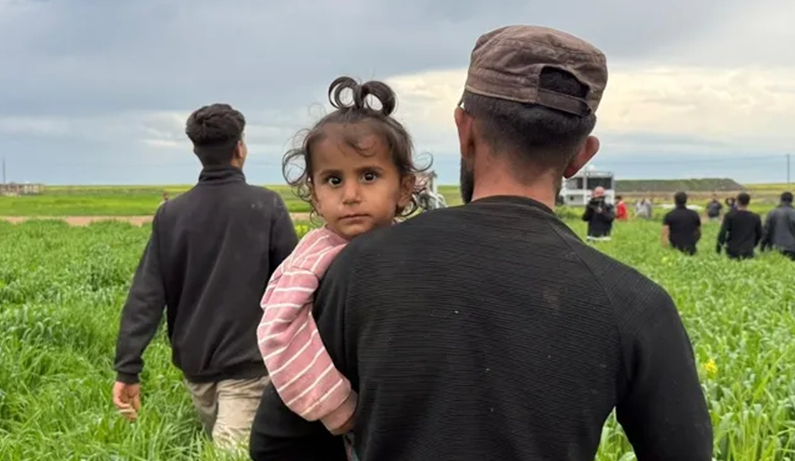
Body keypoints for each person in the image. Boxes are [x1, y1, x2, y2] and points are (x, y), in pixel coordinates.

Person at [250, 24, 712, 461]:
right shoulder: (634, 303)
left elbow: (277, 445)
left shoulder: (353, 269)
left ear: (464, 130)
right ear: (580, 155)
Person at [112, 103, 299, 450]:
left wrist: (128, 368)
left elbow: (146, 296)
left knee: (227, 450)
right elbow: (297, 288)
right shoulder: (266, 205)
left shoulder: (171, 214)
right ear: (239, 149)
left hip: (199, 369)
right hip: (251, 364)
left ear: (197, 152)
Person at [256, 76, 422, 460]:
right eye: (333, 180)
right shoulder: (315, 257)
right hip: (342, 424)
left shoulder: (412, 246)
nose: (350, 195)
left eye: (369, 176)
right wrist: (338, 408)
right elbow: (278, 333)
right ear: (314, 193)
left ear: (404, 188)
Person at [716, 192, 763, 259]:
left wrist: (718, 248)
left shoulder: (730, 215)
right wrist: (753, 244)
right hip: (748, 249)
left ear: (737, 201)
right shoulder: (755, 217)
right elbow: (760, 234)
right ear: (748, 202)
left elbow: (723, 232)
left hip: (732, 250)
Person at [760, 191, 795, 260]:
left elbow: (766, 231)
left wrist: (762, 246)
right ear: (792, 200)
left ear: (781, 200)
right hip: (792, 249)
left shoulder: (772, 213)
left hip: (775, 248)